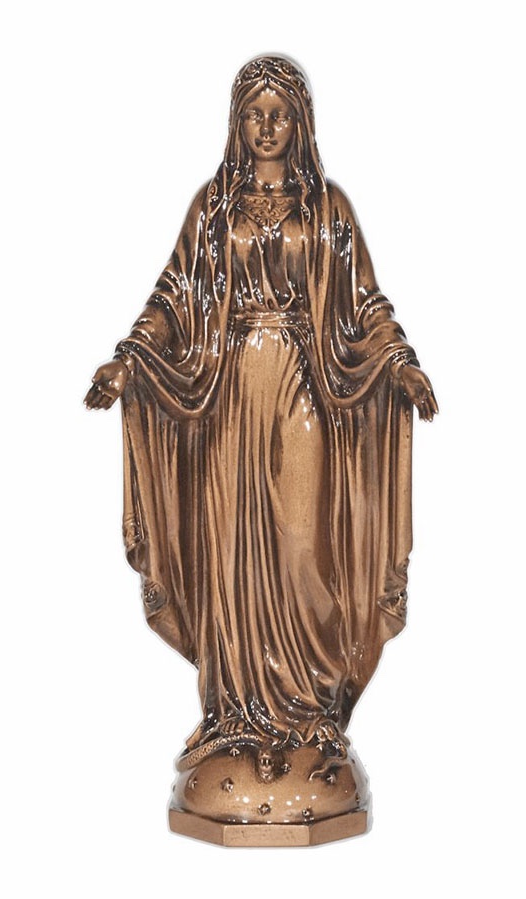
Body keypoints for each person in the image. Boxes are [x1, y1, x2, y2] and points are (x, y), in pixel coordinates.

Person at [85, 56, 437, 758]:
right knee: (232, 553)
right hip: (231, 393)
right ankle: (236, 713)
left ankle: (310, 708)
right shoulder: (214, 208)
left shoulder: (328, 209)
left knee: (304, 547)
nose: (267, 127)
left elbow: (366, 300)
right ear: (236, 123)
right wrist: (129, 359)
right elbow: (173, 297)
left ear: (301, 123)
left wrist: (399, 360)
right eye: (254, 114)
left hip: (306, 386)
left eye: (279, 114)